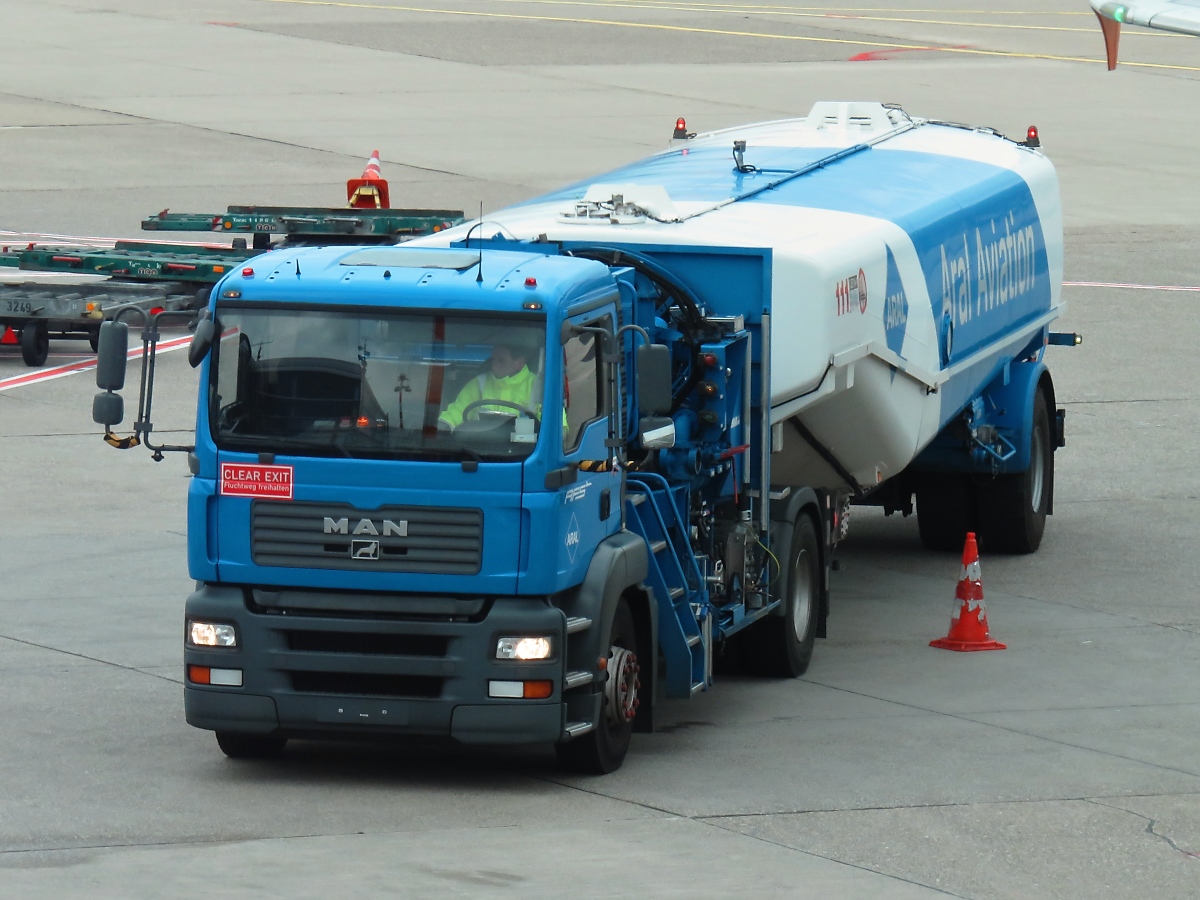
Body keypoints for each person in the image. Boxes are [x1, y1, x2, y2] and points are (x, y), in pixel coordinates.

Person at [438, 341, 539, 430]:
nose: (494, 366)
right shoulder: (479, 382)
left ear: (520, 363)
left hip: (524, 449)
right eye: (493, 359)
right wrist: (443, 426)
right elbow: (458, 411)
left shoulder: (537, 385)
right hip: (479, 446)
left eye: (501, 361)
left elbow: (546, 422)